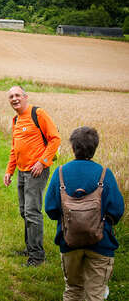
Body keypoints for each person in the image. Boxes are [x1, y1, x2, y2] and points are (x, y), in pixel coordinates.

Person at [45, 126, 124, 301]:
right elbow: (117, 211)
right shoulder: (105, 174)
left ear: (73, 147)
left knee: (73, 290)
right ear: (95, 147)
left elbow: (50, 209)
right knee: (94, 294)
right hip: (101, 244)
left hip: (69, 242)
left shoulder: (60, 173)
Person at [3, 85, 61, 266]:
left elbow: (55, 139)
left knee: (32, 212)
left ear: (25, 97)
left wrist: (42, 162)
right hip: (21, 171)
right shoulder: (15, 120)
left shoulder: (38, 114)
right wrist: (9, 170)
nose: (14, 99)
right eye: (11, 96)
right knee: (24, 211)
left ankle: (37, 257)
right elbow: (14, 149)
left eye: (17, 95)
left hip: (37, 171)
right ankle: (30, 247)